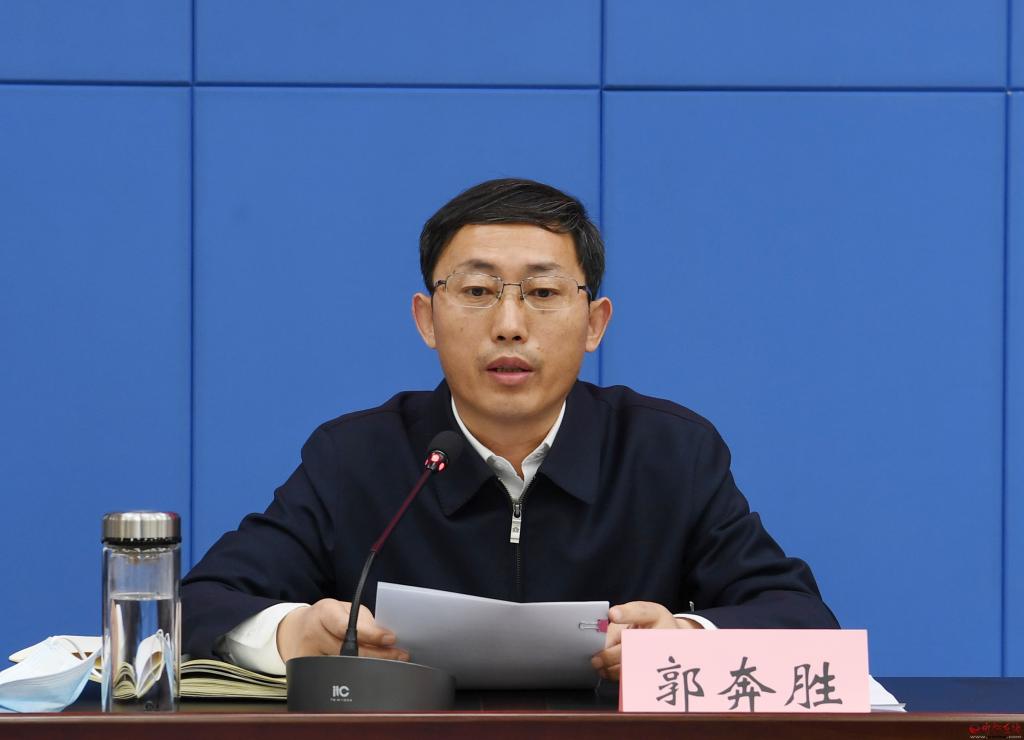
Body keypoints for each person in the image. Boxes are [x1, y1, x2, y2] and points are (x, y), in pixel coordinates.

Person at [182, 178, 838, 682]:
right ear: (427, 319)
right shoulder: (355, 458)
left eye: (543, 293)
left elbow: (803, 621)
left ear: (594, 323)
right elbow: (197, 606)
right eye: (477, 292)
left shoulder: (668, 453)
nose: (509, 326)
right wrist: (292, 634)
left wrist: (687, 640)